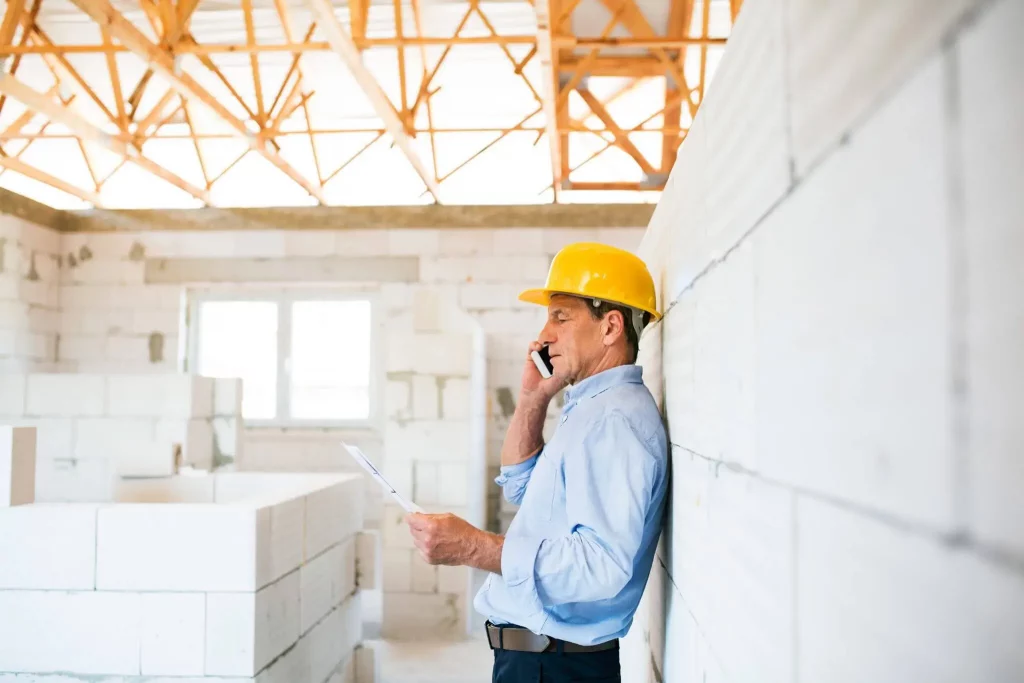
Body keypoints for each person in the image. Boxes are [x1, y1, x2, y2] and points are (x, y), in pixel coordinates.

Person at [405, 242, 669, 682]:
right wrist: (533, 398)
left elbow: (600, 565)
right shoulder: (591, 408)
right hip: (546, 661)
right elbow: (521, 488)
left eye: (560, 317)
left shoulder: (614, 420)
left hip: (557, 667)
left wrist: (474, 547)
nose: (543, 335)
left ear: (610, 327)